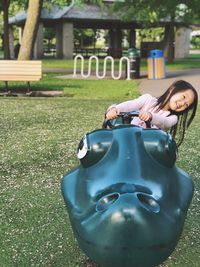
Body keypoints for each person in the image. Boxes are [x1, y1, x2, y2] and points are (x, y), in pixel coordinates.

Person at [106, 80, 198, 147]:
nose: (182, 103)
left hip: (148, 148)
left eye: (186, 104)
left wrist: (151, 116)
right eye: (183, 97)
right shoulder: (148, 99)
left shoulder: (172, 118)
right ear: (172, 89)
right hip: (129, 139)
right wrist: (115, 109)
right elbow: (131, 104)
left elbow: (164, 122)